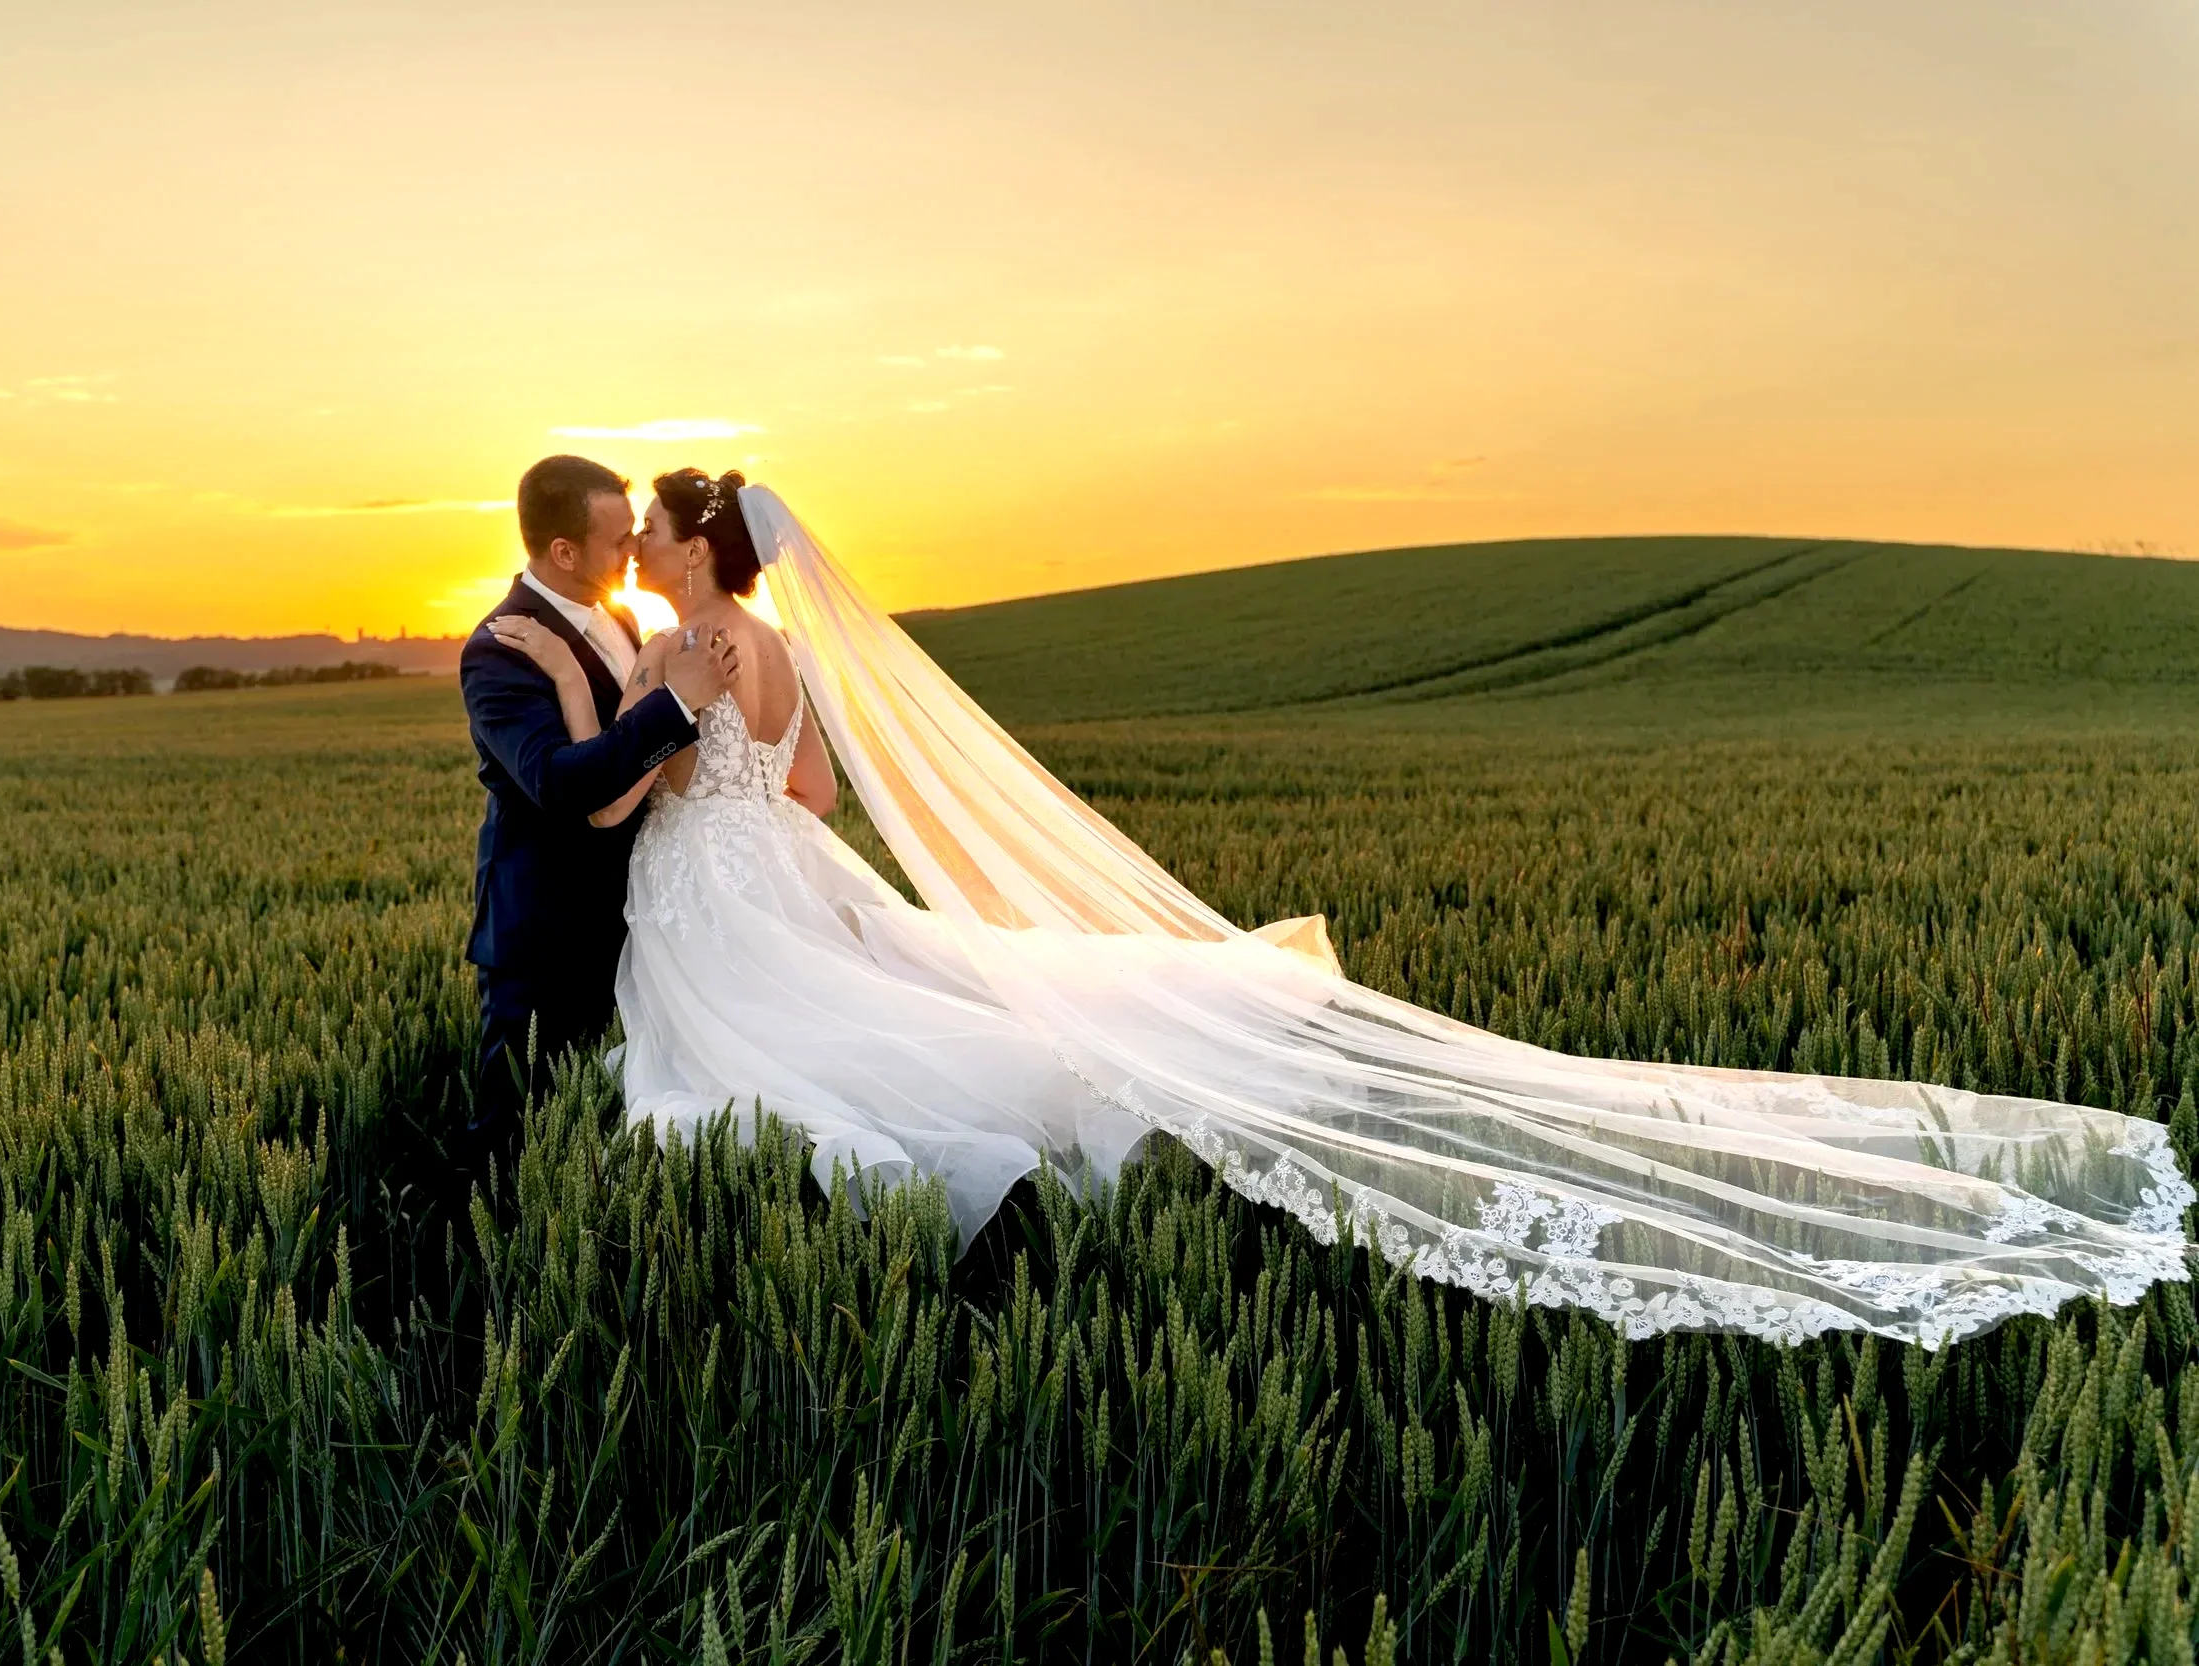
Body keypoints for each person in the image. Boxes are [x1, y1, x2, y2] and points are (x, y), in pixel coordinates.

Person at [488, 471, 2197, 1348]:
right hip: (782, 867)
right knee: (908, 993)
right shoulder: (776, 654)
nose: (639, 544)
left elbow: (635, 791)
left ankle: (970, 1173)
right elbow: (807, 798)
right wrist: (726, 795)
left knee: (738, 1065)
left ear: (691, 556)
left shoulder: (668, 649)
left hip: (705, 893)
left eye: (653, 531)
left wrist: (649, 783)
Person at [453, 455, 737, 1208]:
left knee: (606, 1120)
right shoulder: (498, 650)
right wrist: (678, 705)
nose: (634, 551)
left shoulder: (617, 615)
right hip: (544, 932)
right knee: (512, 1132)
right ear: (563, 552)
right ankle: (491, 1280)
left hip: (643, 915)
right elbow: (559, 781)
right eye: (618, 540)